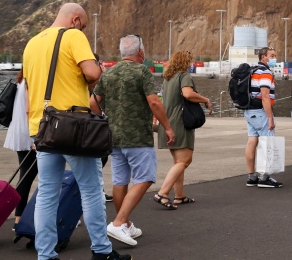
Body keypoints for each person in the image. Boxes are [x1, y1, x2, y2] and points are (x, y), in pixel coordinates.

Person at [22, 2, 132, 260]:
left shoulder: (32, 43)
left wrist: (33, 130)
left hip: (43, 128)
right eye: (83, 25)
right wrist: (94, 71)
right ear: (75, 20)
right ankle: (102, 254)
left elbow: (28, 92)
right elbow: (93, 75)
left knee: (47, 193)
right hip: (74, 128)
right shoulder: (72, 36)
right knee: (91, 190)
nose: (82, 29)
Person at [91, 35, 175, 245]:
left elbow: (93, 102)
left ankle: (125, 224)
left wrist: (103, 120)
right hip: (137, 136)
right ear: (141, 53)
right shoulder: (142, 71)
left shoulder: (109, 74)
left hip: (114, 137)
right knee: (145, 178)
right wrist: (167, 127)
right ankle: (119, 223)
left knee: (120, 181)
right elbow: (154, 102)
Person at [153, 50, 212, 207]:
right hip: (180, 123)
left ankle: (180, 196)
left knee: (178, 161)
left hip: (168, 122)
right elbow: (187, 94)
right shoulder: (183, 76)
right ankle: (163, 193)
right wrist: (205, 99)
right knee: (185, 160)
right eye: (190, 61)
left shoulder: (168, 78)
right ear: (185, 62)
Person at [243, 47, 282, 188]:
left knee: (251, 141)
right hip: (260, 111)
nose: (274, 58)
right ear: (263, 57)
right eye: (272, 55)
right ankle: (264, 177)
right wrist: (270, 117)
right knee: (268, 142)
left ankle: (251, 176)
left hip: (249, 111)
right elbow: (265, 95)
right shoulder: (265, 72)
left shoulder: (252, 70)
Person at [4, 70, 38, 226]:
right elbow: (29, 110)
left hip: (18, 131)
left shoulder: (21, 79)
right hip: (28, 133)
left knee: (25, 175)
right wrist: (34, 138)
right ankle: (21, 219)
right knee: (46, 177)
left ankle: (19, 218)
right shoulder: (32, 80)